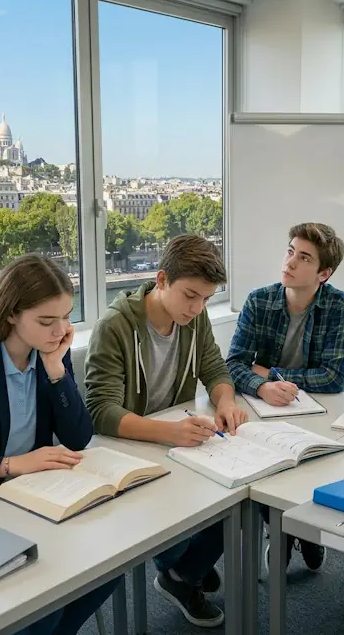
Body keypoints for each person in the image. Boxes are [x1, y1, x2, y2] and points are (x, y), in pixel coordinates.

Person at [0, 255, 117, 635]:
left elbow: (80, 437)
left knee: (109, 566)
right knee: (43, 607)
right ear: (12, 314)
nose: (60, 330)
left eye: (66, 317)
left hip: (36, 500)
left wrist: (55, 369)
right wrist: (12, 465)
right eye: (47, 321)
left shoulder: (51, 354)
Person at [85, 234, 247, 629]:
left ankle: (182, 567)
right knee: (202, 509)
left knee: (240, 499)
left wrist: (226, 402)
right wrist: (170, 433)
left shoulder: (193, 318)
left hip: (172, 442)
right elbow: (101, 412)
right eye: (191, 295)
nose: (198, 307)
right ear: (161, 280)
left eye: (207, 299)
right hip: (129, 449)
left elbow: (214, 369)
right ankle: (179, 569)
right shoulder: (115, 326)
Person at [226, 222, 344, 573]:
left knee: (313, 470)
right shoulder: (260, 300)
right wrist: (263, 386)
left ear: (323, 273)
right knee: (267, 471)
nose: (290, 262)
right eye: (290, 251)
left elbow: (334, 376)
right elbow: (234, 364)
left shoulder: (338, 305)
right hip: (264, 408)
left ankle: (307, 534)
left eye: (304, 257)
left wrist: (273, 374)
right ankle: (279, 531)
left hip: (318, 413)